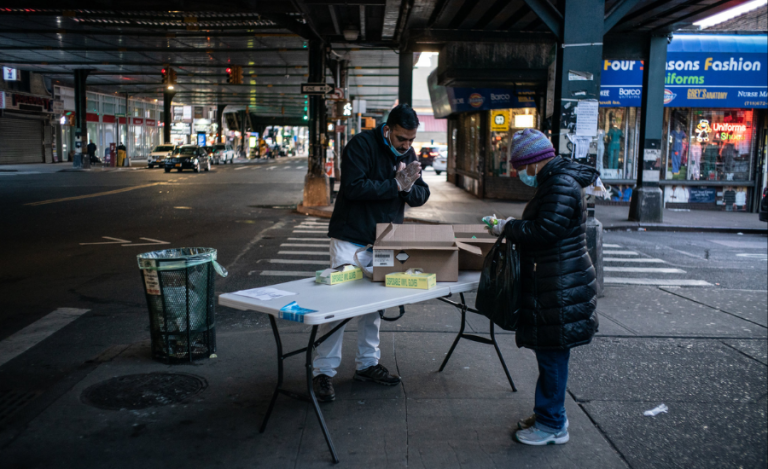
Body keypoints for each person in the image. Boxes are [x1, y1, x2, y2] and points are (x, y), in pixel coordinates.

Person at [488, 128, 598, 446]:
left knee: (552, 356)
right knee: (551, 355)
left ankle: (552, 425)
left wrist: (508, 227)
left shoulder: (559, 183)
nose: (520, 173)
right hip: (556, 282)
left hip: (560, 286)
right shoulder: (556, 180)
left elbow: (546, 229)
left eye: (521, 166)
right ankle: (550, 413)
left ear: (535, 162)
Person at [314, 104, 430, 402]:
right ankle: (322, 372)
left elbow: (420, 195)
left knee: (374, 306)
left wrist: (407, 187)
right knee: (338, 306)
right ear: (388, 129)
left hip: (384, 241)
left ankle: (368, 364)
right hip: (351, 238)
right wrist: (395, 184)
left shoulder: (408, 154)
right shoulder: (361, 145)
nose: (407, 146)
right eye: (402, 139)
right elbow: (352, 188)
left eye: (411, 140)